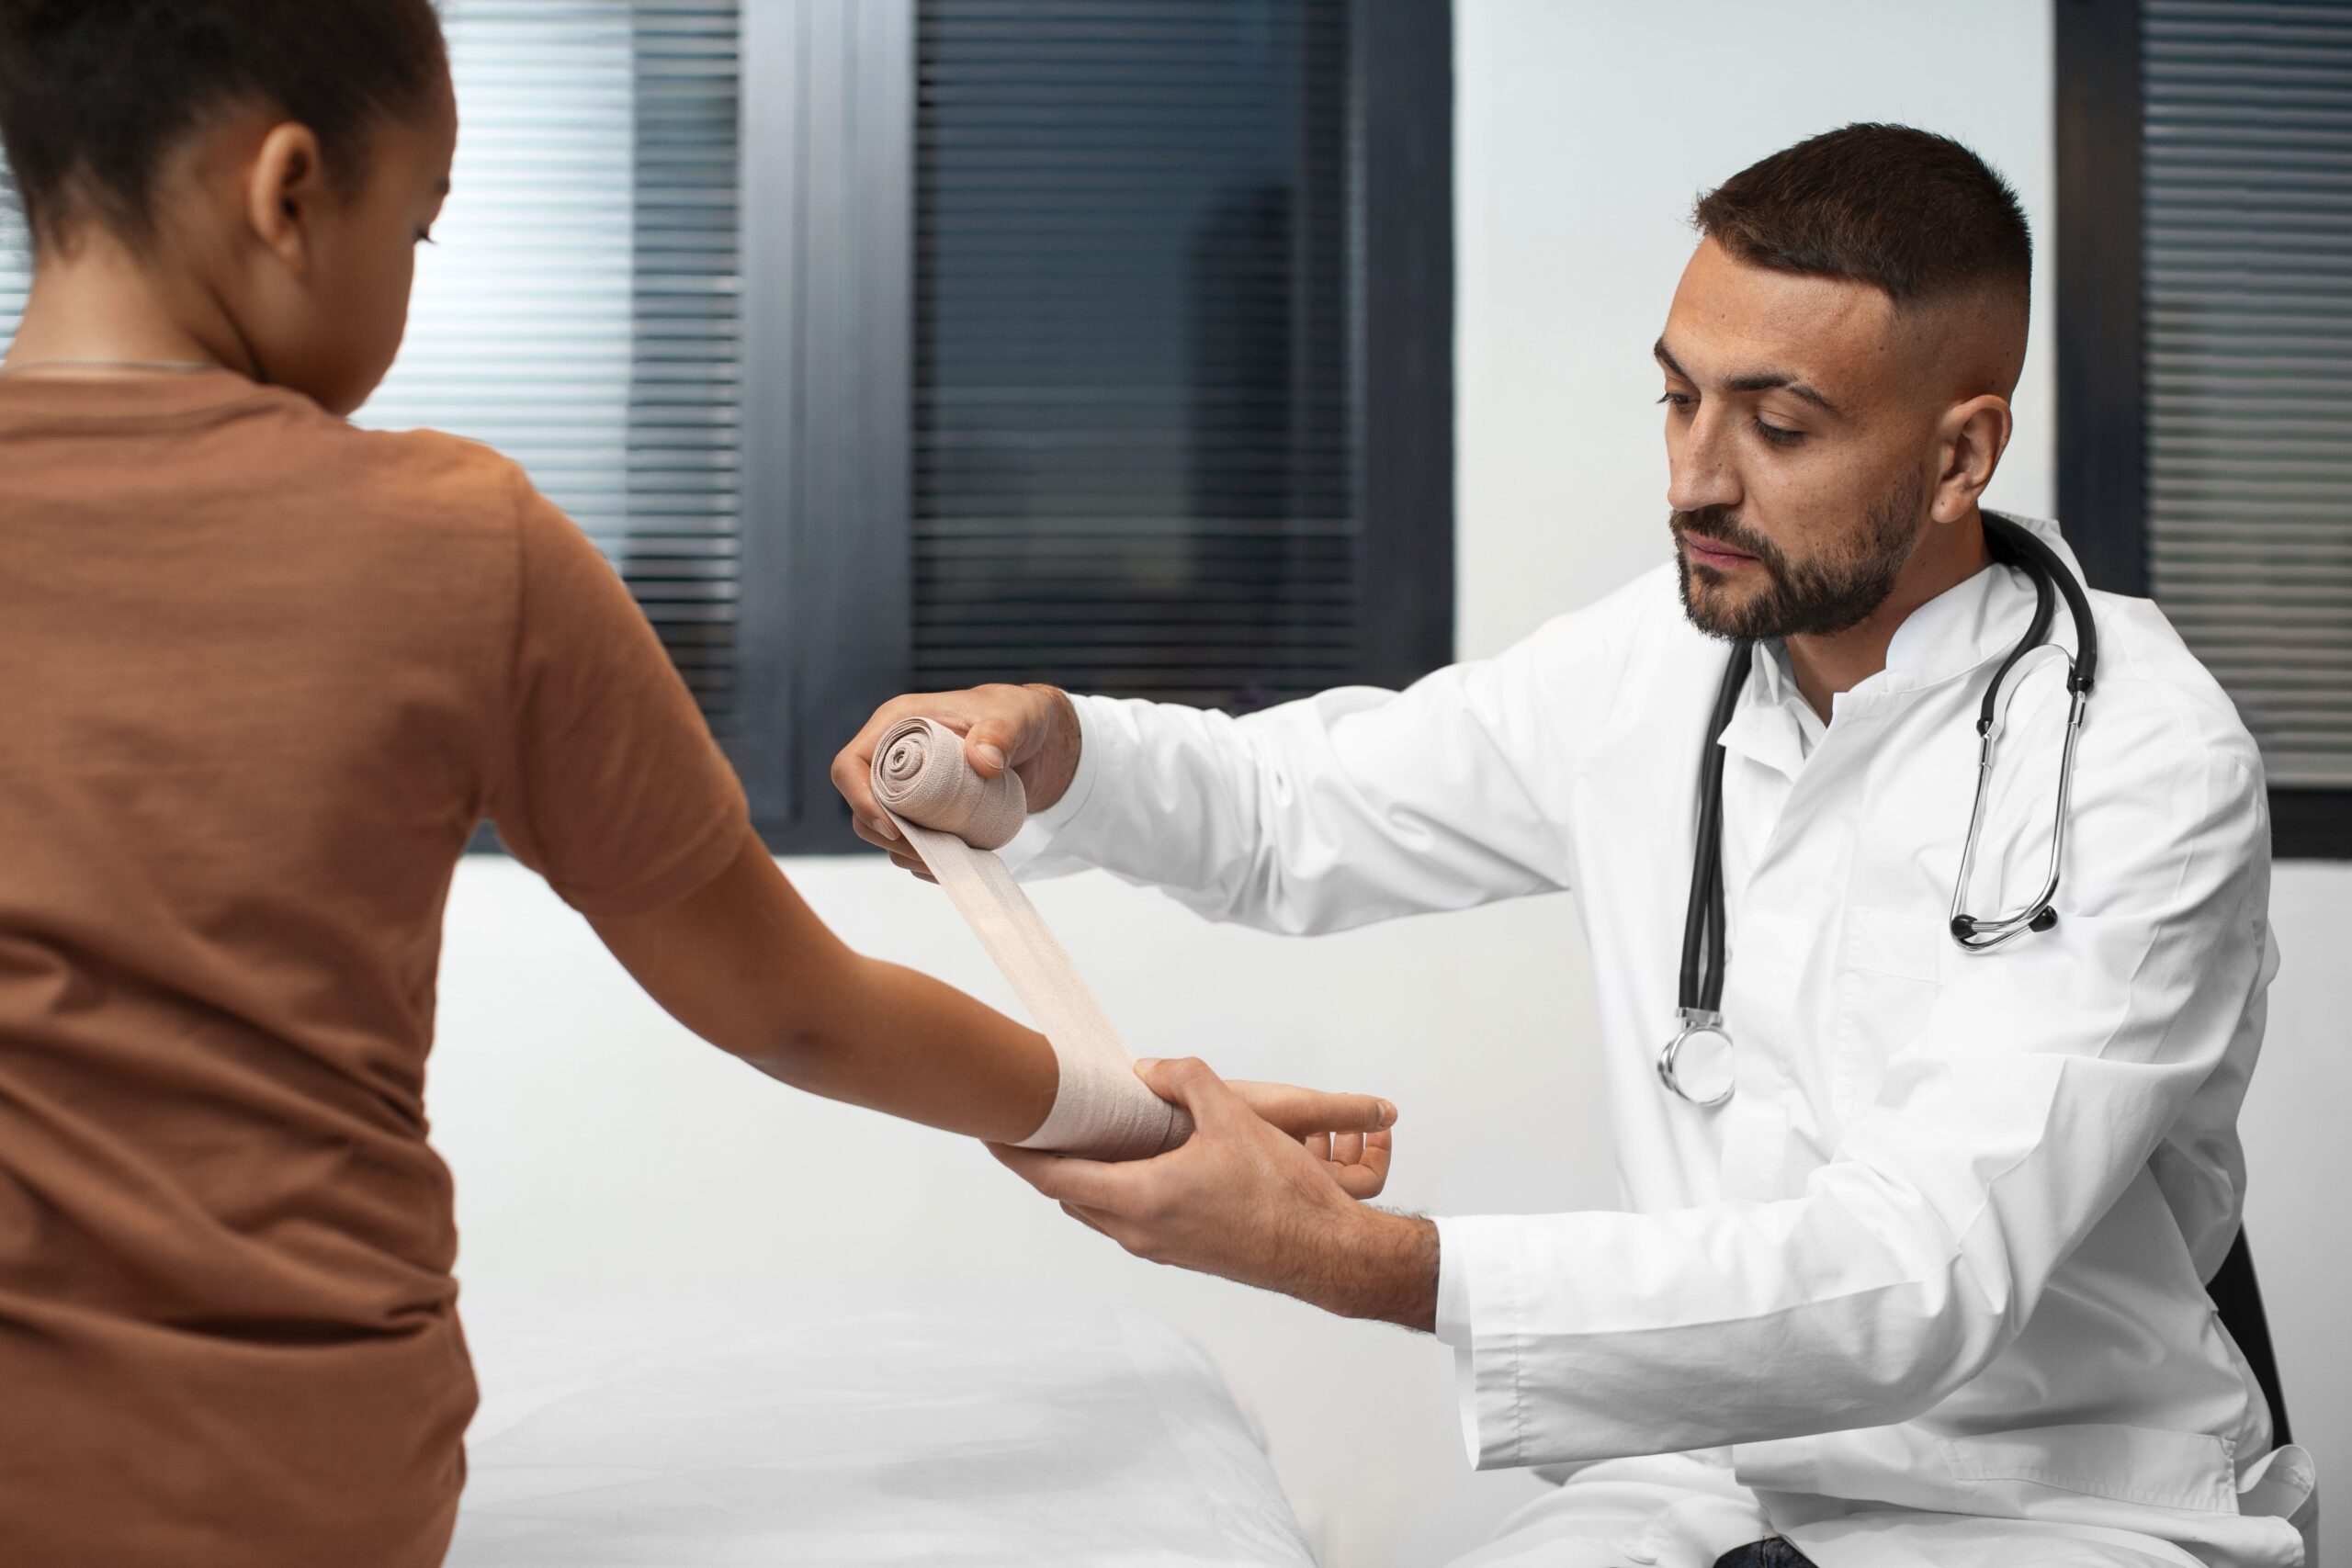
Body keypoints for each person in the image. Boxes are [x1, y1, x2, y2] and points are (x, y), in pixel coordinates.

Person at [0, 4, 1394, 1565]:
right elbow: (795, 1006)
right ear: (290, 192)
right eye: (418, 226)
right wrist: (1137, 1115)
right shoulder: (460, 544)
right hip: (301, 1484)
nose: (412, 273)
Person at [838, 125, 2318, 1568]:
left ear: (1960, 454)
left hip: (2047, 1504)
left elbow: (1915, 1275)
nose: (1694, 479)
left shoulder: (2142, 762)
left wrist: (1355, 1260)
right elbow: (1299, 808)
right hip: (1705, 1481)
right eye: (1678, 399)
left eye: (1778, 427)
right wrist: (1056, 754)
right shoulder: (1660, 663)